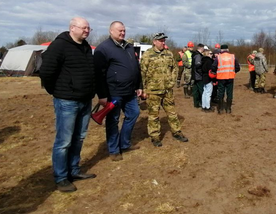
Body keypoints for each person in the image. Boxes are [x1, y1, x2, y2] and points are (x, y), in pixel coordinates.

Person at [40, 17, 96, 192]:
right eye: (84, 28)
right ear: (73, 28)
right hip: (67, 102)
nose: (87, 31)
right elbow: (46, 72)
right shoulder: (59, 45)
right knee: (64, 141)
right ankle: (61, 177)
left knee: (79, 138)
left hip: (85, 100)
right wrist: (58, 92)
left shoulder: (86, 47)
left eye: (89, 28)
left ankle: (74, 170)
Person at [94, 21, 142, 161]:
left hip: (130, 91)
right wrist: (102, 95)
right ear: (111, 31)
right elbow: (98, 74)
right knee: (113, 120)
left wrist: (139, 85)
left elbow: (135, 67)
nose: (122, 33)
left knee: (134, 113)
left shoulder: (128, 46)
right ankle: (114, 150)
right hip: (113, 92)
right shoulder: (103, 48)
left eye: (124, 30)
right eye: (119, 30)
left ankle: (125, 144)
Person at [140, 33, 188, 147]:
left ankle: (177, 132)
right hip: (153, 91)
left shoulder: (169, 54)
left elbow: (175, 69)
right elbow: (142, 73)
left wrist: (171, 82)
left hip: (167, 91)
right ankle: (155, 136)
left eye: (164, 40)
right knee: (153, 115)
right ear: (154, 42)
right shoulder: (147, 55)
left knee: (172, 113)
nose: (163, 42)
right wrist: (144, 89)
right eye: (161, 40)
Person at [212, 44, 240, 114]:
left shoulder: (218, 57)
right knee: (229, 93)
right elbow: (238, 68)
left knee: (220, 93)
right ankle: (228, 109)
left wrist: (216, 72)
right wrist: (233, 71)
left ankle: (220, 109)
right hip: (230, 77)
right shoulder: (233, 57)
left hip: (221, 77)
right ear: (228, 50)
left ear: (221, 50)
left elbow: (213, 67)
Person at [191, 43, 205, 108]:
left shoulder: (194, 54)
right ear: (201, 48)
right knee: (201, 90)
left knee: (195, 90)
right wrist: (201, 73)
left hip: (194, 75)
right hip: (198, 76)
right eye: (203, 49)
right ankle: (202, 103)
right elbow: (198, 65)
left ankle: (196, 104)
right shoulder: (198, 56)